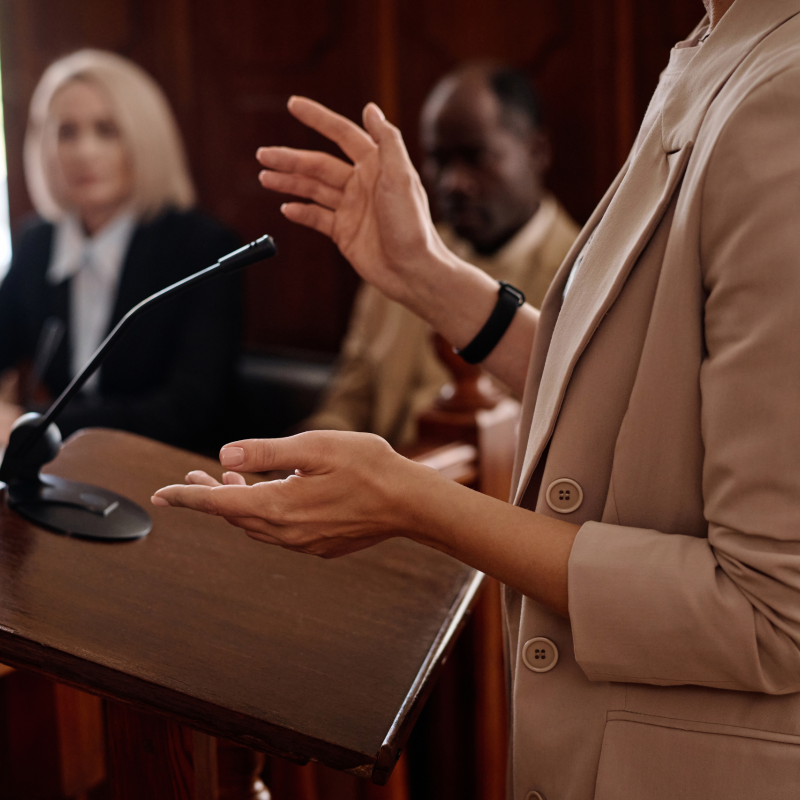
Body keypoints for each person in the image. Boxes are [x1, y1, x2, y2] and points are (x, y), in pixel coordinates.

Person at [154, 0, 800, 797]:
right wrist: (427, 274)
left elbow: (772, 610)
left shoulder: (784, 94)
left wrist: (415, 503)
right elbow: (641, 404)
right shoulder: (716, 44)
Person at [304, 63, 578, 446]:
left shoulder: (583, 278)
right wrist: (302, 462)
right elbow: (349, 400)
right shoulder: (397, 253)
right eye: (439, 159)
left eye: (476, 156)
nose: (454, 182)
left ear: (536, 151)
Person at [0, 50, 240, 452]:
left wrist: (38, 423)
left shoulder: (202, 248)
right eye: (67, 132)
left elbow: (187, 411)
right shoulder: (38, 242)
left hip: (169, 476)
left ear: (143, 139)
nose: (84, 151)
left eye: (106, 130)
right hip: (64, 473)